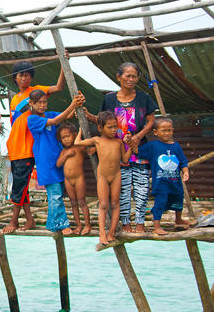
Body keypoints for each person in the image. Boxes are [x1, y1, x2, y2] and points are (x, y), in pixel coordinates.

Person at [85, 62, 158, 233]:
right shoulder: (109, 99)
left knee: (141, 187)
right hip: (116, 151)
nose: (131, 79)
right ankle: (125, 223)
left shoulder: (143, 97)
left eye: (134, 76)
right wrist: (89, 117)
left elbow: (151, 121)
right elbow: (103, 121)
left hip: (139, 148)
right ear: (119, 77)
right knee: (122, 189)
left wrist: (137, 138)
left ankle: (140, 223)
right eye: (128, 76)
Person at [4, 60, 65, 234]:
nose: (24, 78)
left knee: (19, 185)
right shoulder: (15, 98)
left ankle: (14, 220)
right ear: (15, 78)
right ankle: (29, 219)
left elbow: (59, 87)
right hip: (15, 147)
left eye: (27, 74)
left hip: (27, 148)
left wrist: (63, 64)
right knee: (20, 185)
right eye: (20, 75)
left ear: (31, 77)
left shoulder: (36, 92)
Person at [27, 90, 85, 236]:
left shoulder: (51, 113)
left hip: (59, 160)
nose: (42, 105)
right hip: (46, 162)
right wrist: (72, 105)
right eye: (38, 102)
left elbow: (67, 116)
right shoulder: (32, 119)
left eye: (44, 102)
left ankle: (52, 223)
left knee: (57, 193)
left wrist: (78, 105)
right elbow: (55, 122)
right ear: (31, 103)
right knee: (55, 195)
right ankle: (61, 224)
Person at [74, 111, 134, 244]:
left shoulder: (118, 142)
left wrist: (131, 147)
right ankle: (102, 233)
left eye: (115, 127)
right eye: (110, 127)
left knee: (115, 203)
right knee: (103, 204)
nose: (114, 130)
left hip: (116, 175)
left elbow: (124, 160)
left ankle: (112, 232)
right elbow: (77, 143)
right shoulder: (97, 140)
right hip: (103, 176)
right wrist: (79, 131)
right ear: (100, 128)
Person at [132, 117, 191, 235]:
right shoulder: (153, 146)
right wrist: (131, 141)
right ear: (155, 132)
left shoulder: (176, 146)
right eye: (163, 130)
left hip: (175, 181)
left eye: (169, 130)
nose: (167, 133)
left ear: (173, 130)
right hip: (160, 183)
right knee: (160, 202)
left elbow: (183, 161)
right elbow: (137, 151)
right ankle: (157, 226)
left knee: (178, 198)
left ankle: (178, 219)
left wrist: (185, 171)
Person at [55, 122, 93, 235]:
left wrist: (81, 134)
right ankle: (78, 225)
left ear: (74, 135)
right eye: (63, 138)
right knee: (73, 203)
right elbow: (58, 164)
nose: (66, 139)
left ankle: (87, 225)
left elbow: (89, 150)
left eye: (68, 136)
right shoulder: (64, 151)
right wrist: (66, 155)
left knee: (82, 201)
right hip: (68, 180)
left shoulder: (78, 147)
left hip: (79, 178)